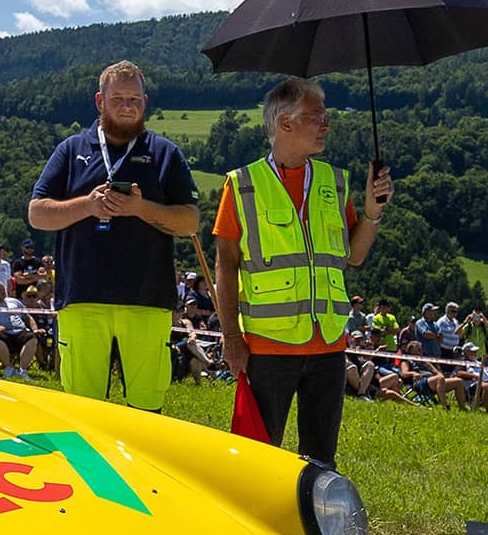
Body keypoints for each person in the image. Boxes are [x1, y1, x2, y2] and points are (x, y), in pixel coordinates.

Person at [213, 77, 389, 468]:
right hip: (268, 345)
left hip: (329, 344)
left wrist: (373, 211)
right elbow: (225, 268)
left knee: (322, 461)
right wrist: (231, 337)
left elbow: (354, 256)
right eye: (317, 116)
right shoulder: (242, 185)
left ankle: (311, 509)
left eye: (325, 116)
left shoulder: (333, 182)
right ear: (285, 123)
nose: (326, 123)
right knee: (257, 458)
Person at [27, 62, 201, 413]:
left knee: (147, 412)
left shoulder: (165, 153)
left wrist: (140, 208)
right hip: (82, 300)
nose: (127, 106)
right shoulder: (71, 149)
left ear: (145, 102)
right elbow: (37, 213)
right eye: (118, 98)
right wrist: (88, 206)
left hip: (148, 300)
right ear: (100, 101)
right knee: (83, 412)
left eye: (134, 99)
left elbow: (190, 222)